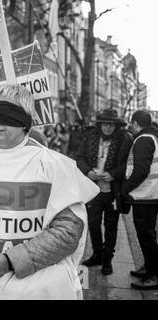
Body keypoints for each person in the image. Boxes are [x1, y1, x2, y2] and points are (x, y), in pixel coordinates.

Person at [0, 84, 99, 300]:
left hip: (39, 290)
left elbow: (69, 231)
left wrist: (10, 260)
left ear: (25, 120)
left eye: (5, 115)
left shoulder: (52, 166)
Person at [76, 109, 133, 275]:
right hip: (93, 190)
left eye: (111, 124)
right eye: (105, 124)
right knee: (93, 224)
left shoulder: (125, 139)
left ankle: (107, 260)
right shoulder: (90, 137)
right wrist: (88, 171)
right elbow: (79, 157)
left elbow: (128, 163)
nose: (108, 128)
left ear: (116, 126)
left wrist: (113, 174)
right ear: (100, 125)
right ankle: (97, 255)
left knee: (111, 226)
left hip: (112, 192)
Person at [123, 110, 158, 290]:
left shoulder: (143, 139)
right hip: (151, 194)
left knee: (146, 236)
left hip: (146, 195)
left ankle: (154, 274)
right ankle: (150, 267)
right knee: (148, 234)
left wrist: (125, 189)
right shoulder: (153, 137)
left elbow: (141, 170)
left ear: (136, 123)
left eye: (131, 124)